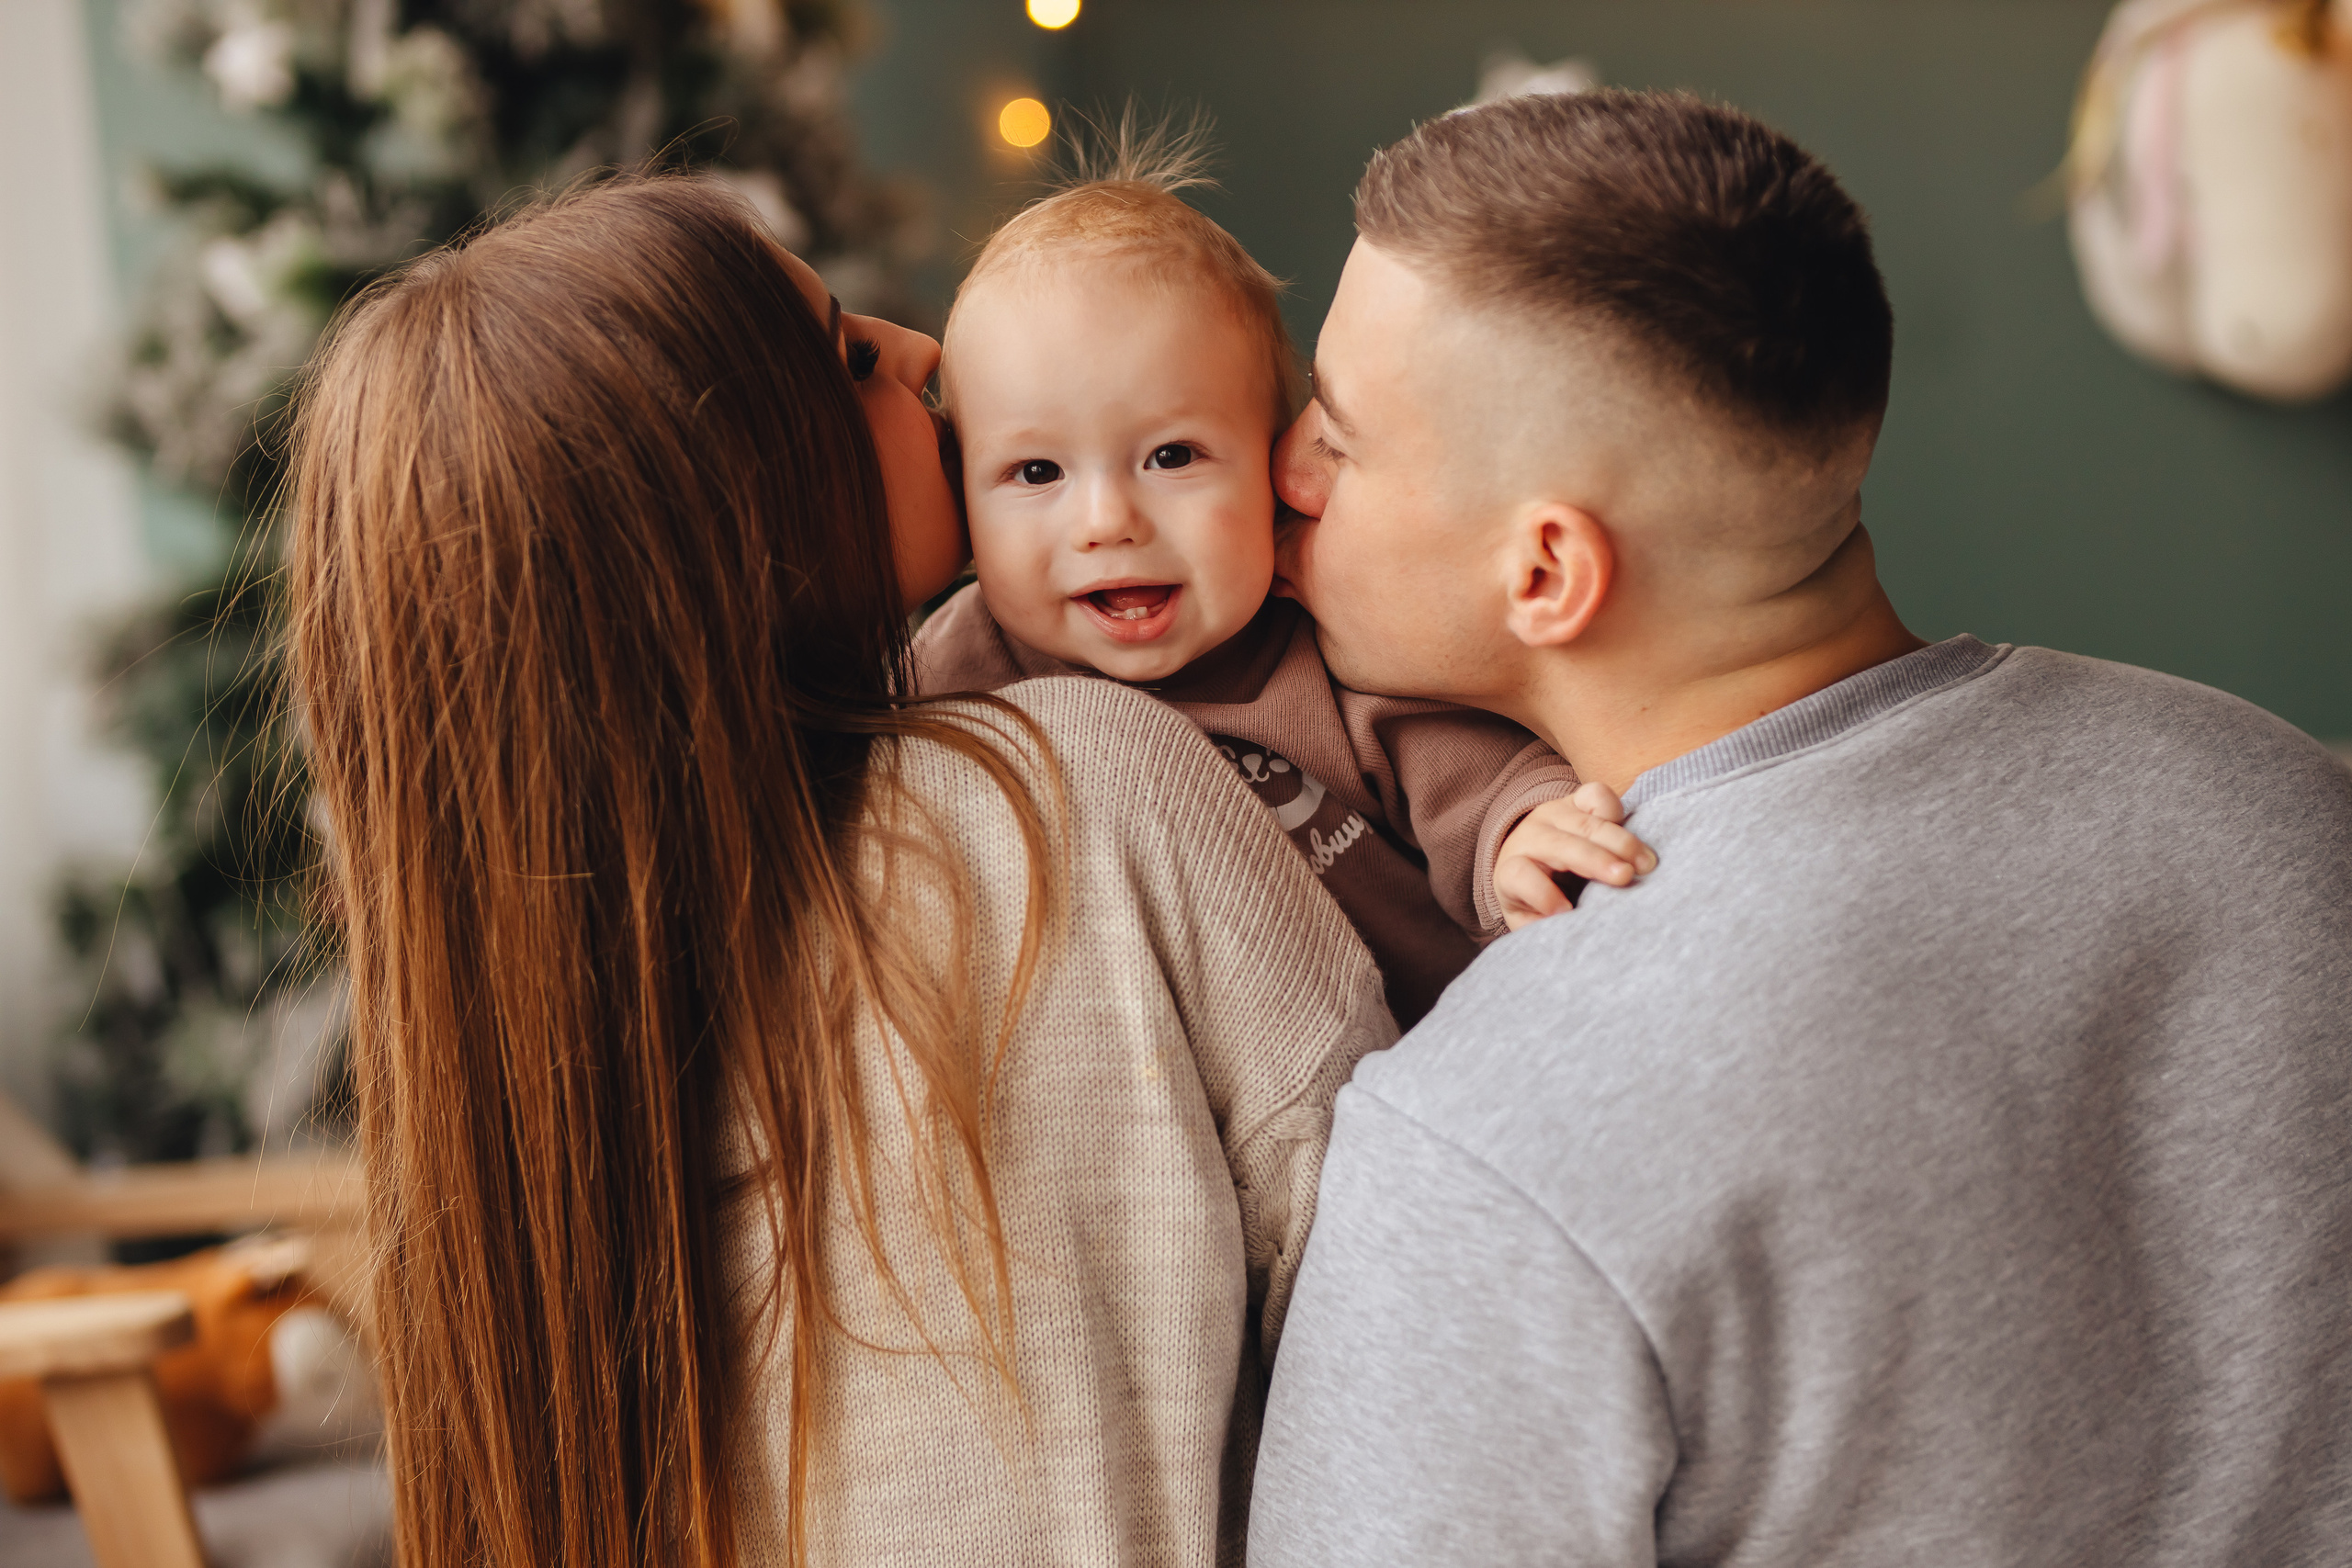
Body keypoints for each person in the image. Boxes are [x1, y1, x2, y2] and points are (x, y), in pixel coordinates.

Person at [1250, 90, 2352, 1566]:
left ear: (1548, 572)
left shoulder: (1493, 1134)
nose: (1283, 475)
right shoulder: (2280, 792)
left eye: (1337, 432)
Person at [285, 174, 1396, 1568]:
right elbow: (1415, 1302)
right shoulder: (1075, 784)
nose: (925, 352)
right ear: (736, 508)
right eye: (851, 360)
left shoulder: (505, 1050)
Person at [914, 127, 1653, 1027]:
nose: (1107, 522)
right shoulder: (956, 673)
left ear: (1271, 461)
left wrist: (1521, 838)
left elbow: (1479, 777)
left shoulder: (1335, 651)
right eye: (1037, 474)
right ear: (961, 495)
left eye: (1172, 455)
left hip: (1404, 1065)